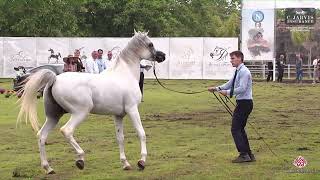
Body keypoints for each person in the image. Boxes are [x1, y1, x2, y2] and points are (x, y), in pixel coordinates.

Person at [208, 50, 255, 163]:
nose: (231, 61)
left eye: (232, 58)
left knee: (235, 129)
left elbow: (242, 88)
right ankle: (248, 154)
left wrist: (228, 92)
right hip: (243, 103)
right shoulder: (238, 71)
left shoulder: (244, 72)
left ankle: (244, 155)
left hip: (245, 103)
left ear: (239, 58)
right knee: (240, 129)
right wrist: (217, 88)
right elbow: (230, 83)